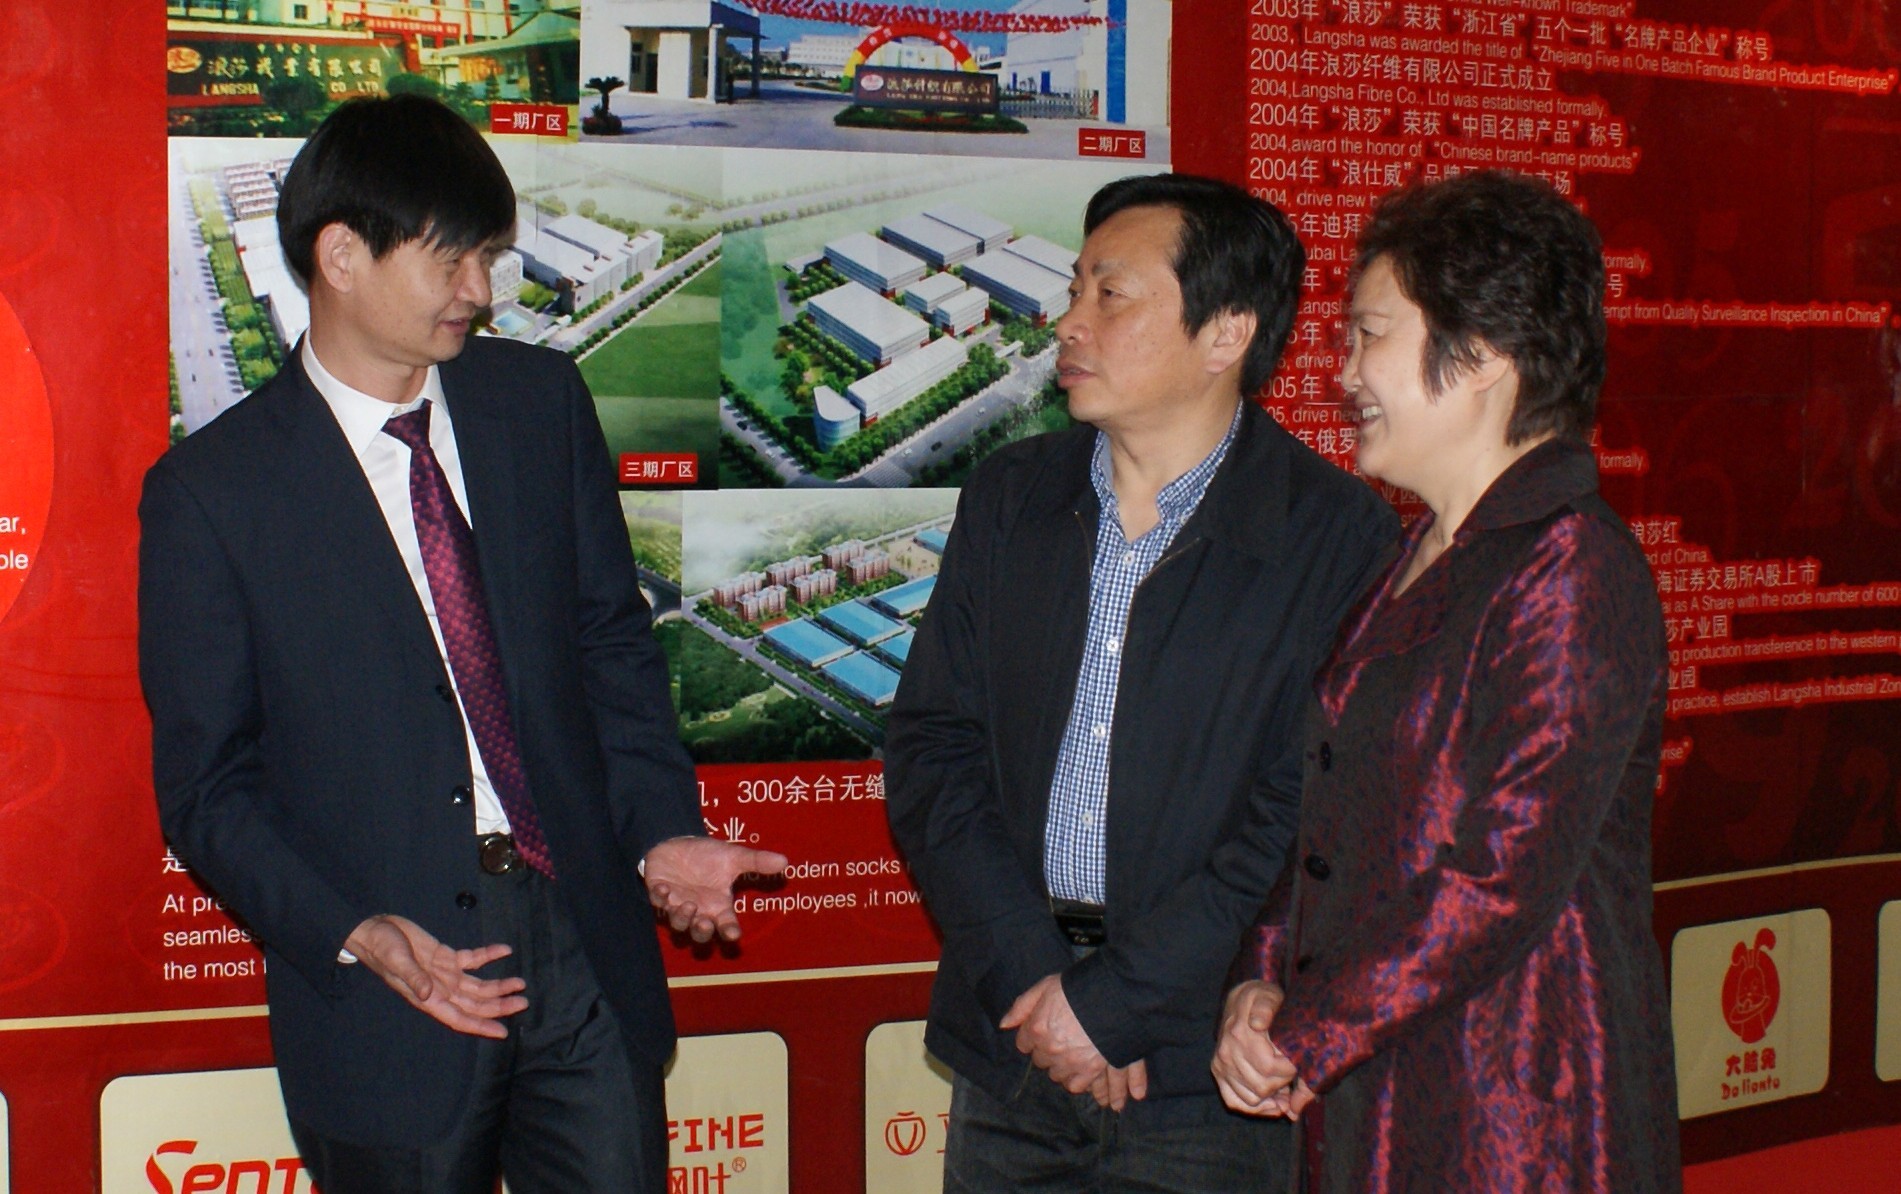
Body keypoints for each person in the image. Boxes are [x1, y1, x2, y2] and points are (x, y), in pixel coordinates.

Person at [138, 95, 784, 1192]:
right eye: (451, 261)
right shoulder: (214, 493)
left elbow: (610, 647)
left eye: (487, 257)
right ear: (341, 256)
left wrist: (661, 831)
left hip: (581, 939)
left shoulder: (537, 404)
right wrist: (355, 930)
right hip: (393, 988)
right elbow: (208, 788)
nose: (479, 292)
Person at [885, 173, 1398, 1191]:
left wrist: (1112, 1005)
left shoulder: (1336, 536)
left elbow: (1303, 813)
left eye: (1109, 295)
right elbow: (933, 745)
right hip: (1014, 1041)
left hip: (1204, 1072)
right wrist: (1042, 984)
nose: (1068, 323)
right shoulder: (1011, 496)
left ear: (1226, 334)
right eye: (1075, 288)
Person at [1211, 170, 1681, 1192]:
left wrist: (1312, 1030)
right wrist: (1262, 978)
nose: (1342, 372)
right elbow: (1332, 815)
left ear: (1482, 354)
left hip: (1514, 1101)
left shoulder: (1569, 566)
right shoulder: (1416, 553)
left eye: (1368, 334)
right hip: (1382, 1071)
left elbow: (1501, 873)